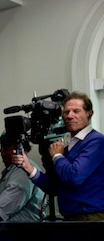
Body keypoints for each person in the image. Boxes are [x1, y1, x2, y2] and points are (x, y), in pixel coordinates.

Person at [12, 91, 104, 220]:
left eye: (76, 111)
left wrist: (57, 156)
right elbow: (53, 187)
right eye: (66, 112)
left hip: (92, 218)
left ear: (89, 114)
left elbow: (74, 176)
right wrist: (28, 167)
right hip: (71, 218)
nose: (70, 116)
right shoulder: (66, 147)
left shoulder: (97, 141)